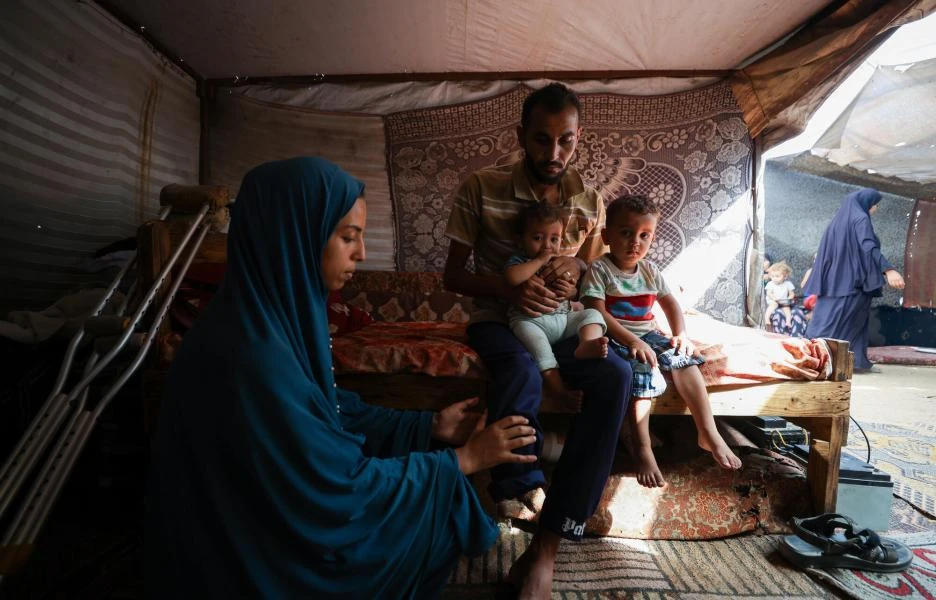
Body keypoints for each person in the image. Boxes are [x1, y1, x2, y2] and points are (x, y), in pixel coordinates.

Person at [145, 157, 540, 599]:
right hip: (259, 556)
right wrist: (463, 461)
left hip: (265, 523)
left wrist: (425, 426)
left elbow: (328, 410)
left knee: (437, 486)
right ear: (292, 239)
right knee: (441, 502)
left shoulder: (273, 319)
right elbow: (335, 488)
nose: (362, 253)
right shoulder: (250, 356)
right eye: (347, 236)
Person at [443, 82, 632, 598]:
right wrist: (514, 287)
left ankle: (545, 551)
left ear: (578, 138)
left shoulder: (589, 200)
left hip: (560, 322)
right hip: (497, 320)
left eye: (566, 141)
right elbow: (452, 277)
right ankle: (516, 487)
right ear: (521, 136)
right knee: (520, 370)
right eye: (542, 140)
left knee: (616, 373)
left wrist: (578, 264)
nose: (554, 154)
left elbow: (592, 271)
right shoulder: (481, 186)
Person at [581, 194, 742, 488]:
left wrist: (680, 334)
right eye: (626, 233)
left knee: (684, 359)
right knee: (641, 371)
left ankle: (708, 431)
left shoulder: (650, 271)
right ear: (606, 236)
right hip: (616, 334)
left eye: (644, 235)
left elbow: (670, 304)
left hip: (648, 332)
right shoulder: (600, 269)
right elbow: (596, 311)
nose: (635, 242)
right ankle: (642, 447)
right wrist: (632, 341)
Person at [504, 203, 609, 408]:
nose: (547, 246)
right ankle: (558, 390)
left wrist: (569, 291)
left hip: (563, 319)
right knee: (540, 349)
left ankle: (587, 343)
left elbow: (576, 291)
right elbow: (512, 278)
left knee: (592, 314)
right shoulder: (521, 261)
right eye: (537, 238)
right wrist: (540, 260)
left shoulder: (564, 262)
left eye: (554, 239)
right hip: (531, 321)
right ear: (520, 239)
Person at [804, 188, 905, 372]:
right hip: (852, 284)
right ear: (866, 203)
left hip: (834, 283)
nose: (875, 209)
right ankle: (814, 361)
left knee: (847, 322)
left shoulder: (838, 222)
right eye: (875, 204)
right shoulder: (860, 219)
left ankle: (856, 363)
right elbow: (868, 246)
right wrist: (888, 269)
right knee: (834, 324)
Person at [764, 260, 795, 329]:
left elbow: (791, 293)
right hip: (773, 300)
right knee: (773, 305)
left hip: (783, 300)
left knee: (787, 309)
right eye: (772, 276)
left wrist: (789, 298)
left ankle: (788, 321)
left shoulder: (788, 284)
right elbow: (769, 293)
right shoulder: (770, 284)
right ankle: (766, 319)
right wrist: (774, 298)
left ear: (785, 276)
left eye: (777, 276)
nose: (774, 278)